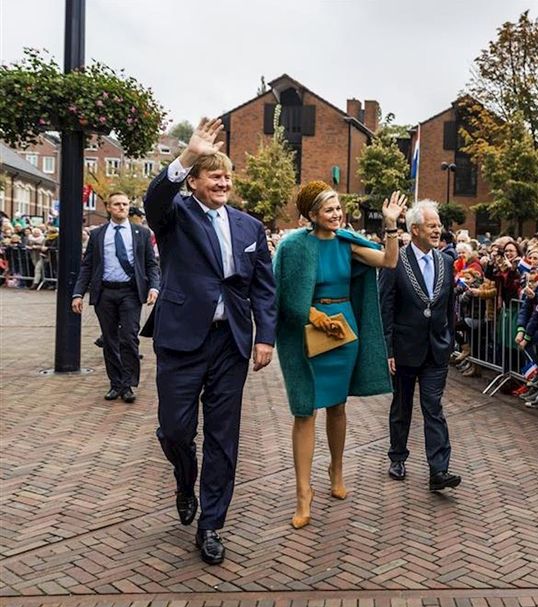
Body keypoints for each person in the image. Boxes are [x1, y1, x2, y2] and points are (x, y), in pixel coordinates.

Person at [142, 117, 276, 565]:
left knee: (223, 437)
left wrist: (265, 338)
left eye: (227, 176)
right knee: (176, 429)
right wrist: (188, 153)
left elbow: (263, 286)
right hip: (182, 339)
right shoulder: (175, 215)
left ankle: (212, 524)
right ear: (195, 181)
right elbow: (154, 198)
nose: (222, 181)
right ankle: (185, 477)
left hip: (231, 343)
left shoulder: (249, 227)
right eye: (213, 175)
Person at [273, 182, 405, 528]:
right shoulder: (293, 246)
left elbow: (389, 261)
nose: (336, 214)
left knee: (338, 405)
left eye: (337, 208)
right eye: (328, 209)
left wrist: (390, 224)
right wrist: (313, 316)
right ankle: (303, 495)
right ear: (311, 215)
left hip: (344, 334)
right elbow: (282, 293)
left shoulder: (348, 243)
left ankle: (337, 469)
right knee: (305, 411)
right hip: (309, 332)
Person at [380, 200, 462, 492]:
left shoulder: (446, 261)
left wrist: (450, 338)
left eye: (439, 225)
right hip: (403, 347)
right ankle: (397, 456)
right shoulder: (395, 260)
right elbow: (385, 305)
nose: (438, 230)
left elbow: (451, 304)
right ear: (415, 230)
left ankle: (439, 470)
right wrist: (387, 348)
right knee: (402, 406)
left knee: (433, 406)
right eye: (432, 226)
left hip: (436, 349)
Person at [72, 191, 160, 403]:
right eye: (117, 204)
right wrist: (78, 293)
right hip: (105, 293)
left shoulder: (142, 233)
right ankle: (116, 383)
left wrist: (154, 287)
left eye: (125, 204)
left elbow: (151, 264)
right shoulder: (98, 235)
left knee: (129, 338)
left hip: (130, 292)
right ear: (109, 208)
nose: (122, 207)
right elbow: (87, 267)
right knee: (110, 340)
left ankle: (129, 384)